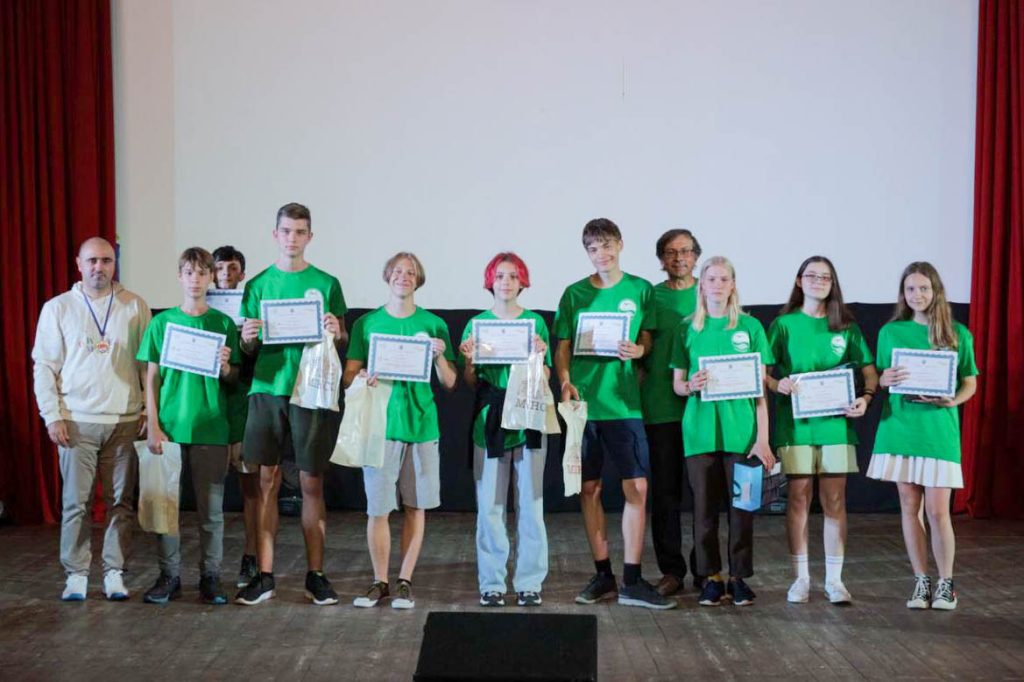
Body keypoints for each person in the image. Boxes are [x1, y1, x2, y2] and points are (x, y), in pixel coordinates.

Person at [554, 218, 674, 609]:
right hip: (584, 406)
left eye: (606, 246)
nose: (601, 254)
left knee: (637, 487)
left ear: (620, 245)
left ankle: (632, 580)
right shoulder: (574, 293)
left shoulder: (641, 289)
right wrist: (565, 381)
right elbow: (562, 346)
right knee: (589, 488)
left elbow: (647, 337)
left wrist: (640, 350)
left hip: (624, 405)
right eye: (593, 249)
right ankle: (603, 574)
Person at [234, 203, 348, 606]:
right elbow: (247, 348)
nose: (292, 238)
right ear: (275, 235)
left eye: (300, 232)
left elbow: (342, 339)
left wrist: (336, 330)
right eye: (286, 231)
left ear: (309, 237)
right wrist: (247, 338)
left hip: (311, 391)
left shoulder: (327, 283)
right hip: (268, 387)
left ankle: (315, 575)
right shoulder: (258, 284)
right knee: (266, 480)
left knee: (311, 482)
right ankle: (265, 575)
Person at [32, 237, 151, 601]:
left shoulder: (135, 305)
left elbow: (147, 365)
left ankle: (114, 572)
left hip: (125, 420)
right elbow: (44, 367)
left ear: (115, 264)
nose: (99, 267)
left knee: (121, 503)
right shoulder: (58, 307)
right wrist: (52, 416)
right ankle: (77, 574)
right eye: (92, 260)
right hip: (76, 421)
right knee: (76, 503)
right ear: (79, 264)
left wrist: (148, 409)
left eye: (106, 260)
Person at [343, 252, 457, 610]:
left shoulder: (434, 324)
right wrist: (361, 377)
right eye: (397, 271)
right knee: (378, 509)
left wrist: (439, 356)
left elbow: (450, 382)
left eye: (410, 272)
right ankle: (379, 581)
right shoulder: (367, 323)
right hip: (380, 426)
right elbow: (349, 374)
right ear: (387, 276)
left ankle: (405, 581)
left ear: (418, 279)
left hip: (421, 426)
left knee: (415, 506)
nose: (403, 277)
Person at [766, 256, 878, 605]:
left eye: (825, 277)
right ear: (799, 281)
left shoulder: (846, 326)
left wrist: (865, 398)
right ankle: (801, 579)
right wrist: (777, 384)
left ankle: (834, 580)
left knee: (834, 500)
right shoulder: (783, 324)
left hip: (835, 427)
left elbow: (870, 372)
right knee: (798, 498)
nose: (818, 281)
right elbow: (763, 372)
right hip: (796, 427)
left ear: (833, 283)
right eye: (812, 275)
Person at [867, 262, 977, 610]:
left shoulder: (957, 334)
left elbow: (970, 382)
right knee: (908, 506)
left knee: (938, 511)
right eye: (911, 289)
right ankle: (921, 581)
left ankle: (946, 584)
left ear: (936, 291)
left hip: (937, 431)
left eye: (924, 288)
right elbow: (881, 377)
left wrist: (952, 400)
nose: (917, 295)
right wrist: (884, 380)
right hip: (900, 428)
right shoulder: (891, 332)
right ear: (903, 294)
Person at [137, 247, 240, 604]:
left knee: (211, 511)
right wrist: (153, 424)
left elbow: (234, 378)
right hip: (170, 428)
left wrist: (225, 367)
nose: (195, 279)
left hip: (211, 428)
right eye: (189, 272)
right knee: (166, 509)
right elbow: (151, 378)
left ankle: (211, 577)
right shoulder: (161, 323)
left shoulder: (223, 324)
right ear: (179, 277)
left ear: (211, 278)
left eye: (202, 273)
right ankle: (169, 576)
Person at [671, 256, 776, 607]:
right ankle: (711, 577)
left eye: (724, 279)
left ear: (733, 285)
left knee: (742, 510)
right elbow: (677, 385)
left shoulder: (751, 327)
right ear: (701, 285)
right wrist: (691, 384)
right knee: (703, 511)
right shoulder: (686, 329)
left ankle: (738, 578)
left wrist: (762, 439)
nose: (717, 285)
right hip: (699, 434)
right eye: (711, 279)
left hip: (742, 435)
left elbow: (760, 391)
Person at [458, 253, 550, 607]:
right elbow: (470, 381)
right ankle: (492, 584)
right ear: (490, 281)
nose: (506, 282)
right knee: (490, 507)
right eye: (500, 276)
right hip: (490, 420)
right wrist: (469, 361)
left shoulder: (535, 323)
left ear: (522, 281)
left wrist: (540, 356)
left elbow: (544, 378)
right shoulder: (476, 325)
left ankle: (529, 583)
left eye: (513, 276)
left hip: (528, 418)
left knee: (531, 506)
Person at [640, 229, 702, 597]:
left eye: (686, 251)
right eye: (670, 252)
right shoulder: (651, 296)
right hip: (660, 407)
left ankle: (706, 570)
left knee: (704, 495)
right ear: (661, 259)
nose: (679, 258)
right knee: (665, 495)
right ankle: (672, 571)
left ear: (696, 255)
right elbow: (640, 347)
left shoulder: (712, 292)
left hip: (704, 410)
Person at [211, 245, 261, 589]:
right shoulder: (199, 309)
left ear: (242, 274)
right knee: (209, 491)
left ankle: (251, 556)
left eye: (232, 269)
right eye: (220, 268)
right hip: (210, 405)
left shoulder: (252, 309)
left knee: (250, 488)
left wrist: (247, 340)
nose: (226, 274)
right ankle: (208, 565)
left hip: (242, 405)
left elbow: (254, 357)